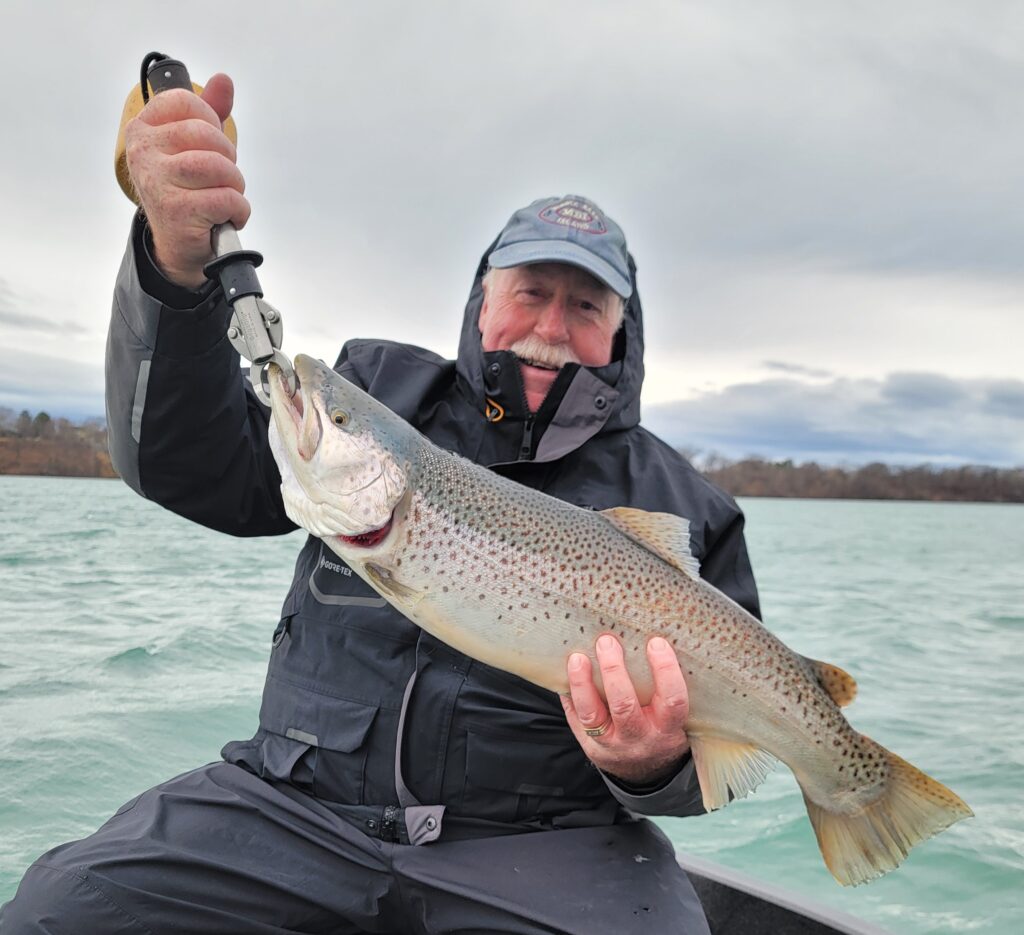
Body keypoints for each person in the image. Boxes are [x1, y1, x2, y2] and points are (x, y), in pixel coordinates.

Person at [1, 75, 760, 934]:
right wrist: (174, 275)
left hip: (547, 849)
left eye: (586, 304)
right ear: (483, 302)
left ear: (622, 331)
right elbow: (187, 462)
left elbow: (710, 772)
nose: (554, 324)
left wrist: (652, 765)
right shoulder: (374, 389)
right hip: (291, 811)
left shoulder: (686, 506)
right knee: (57, 914)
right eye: (531, 293)